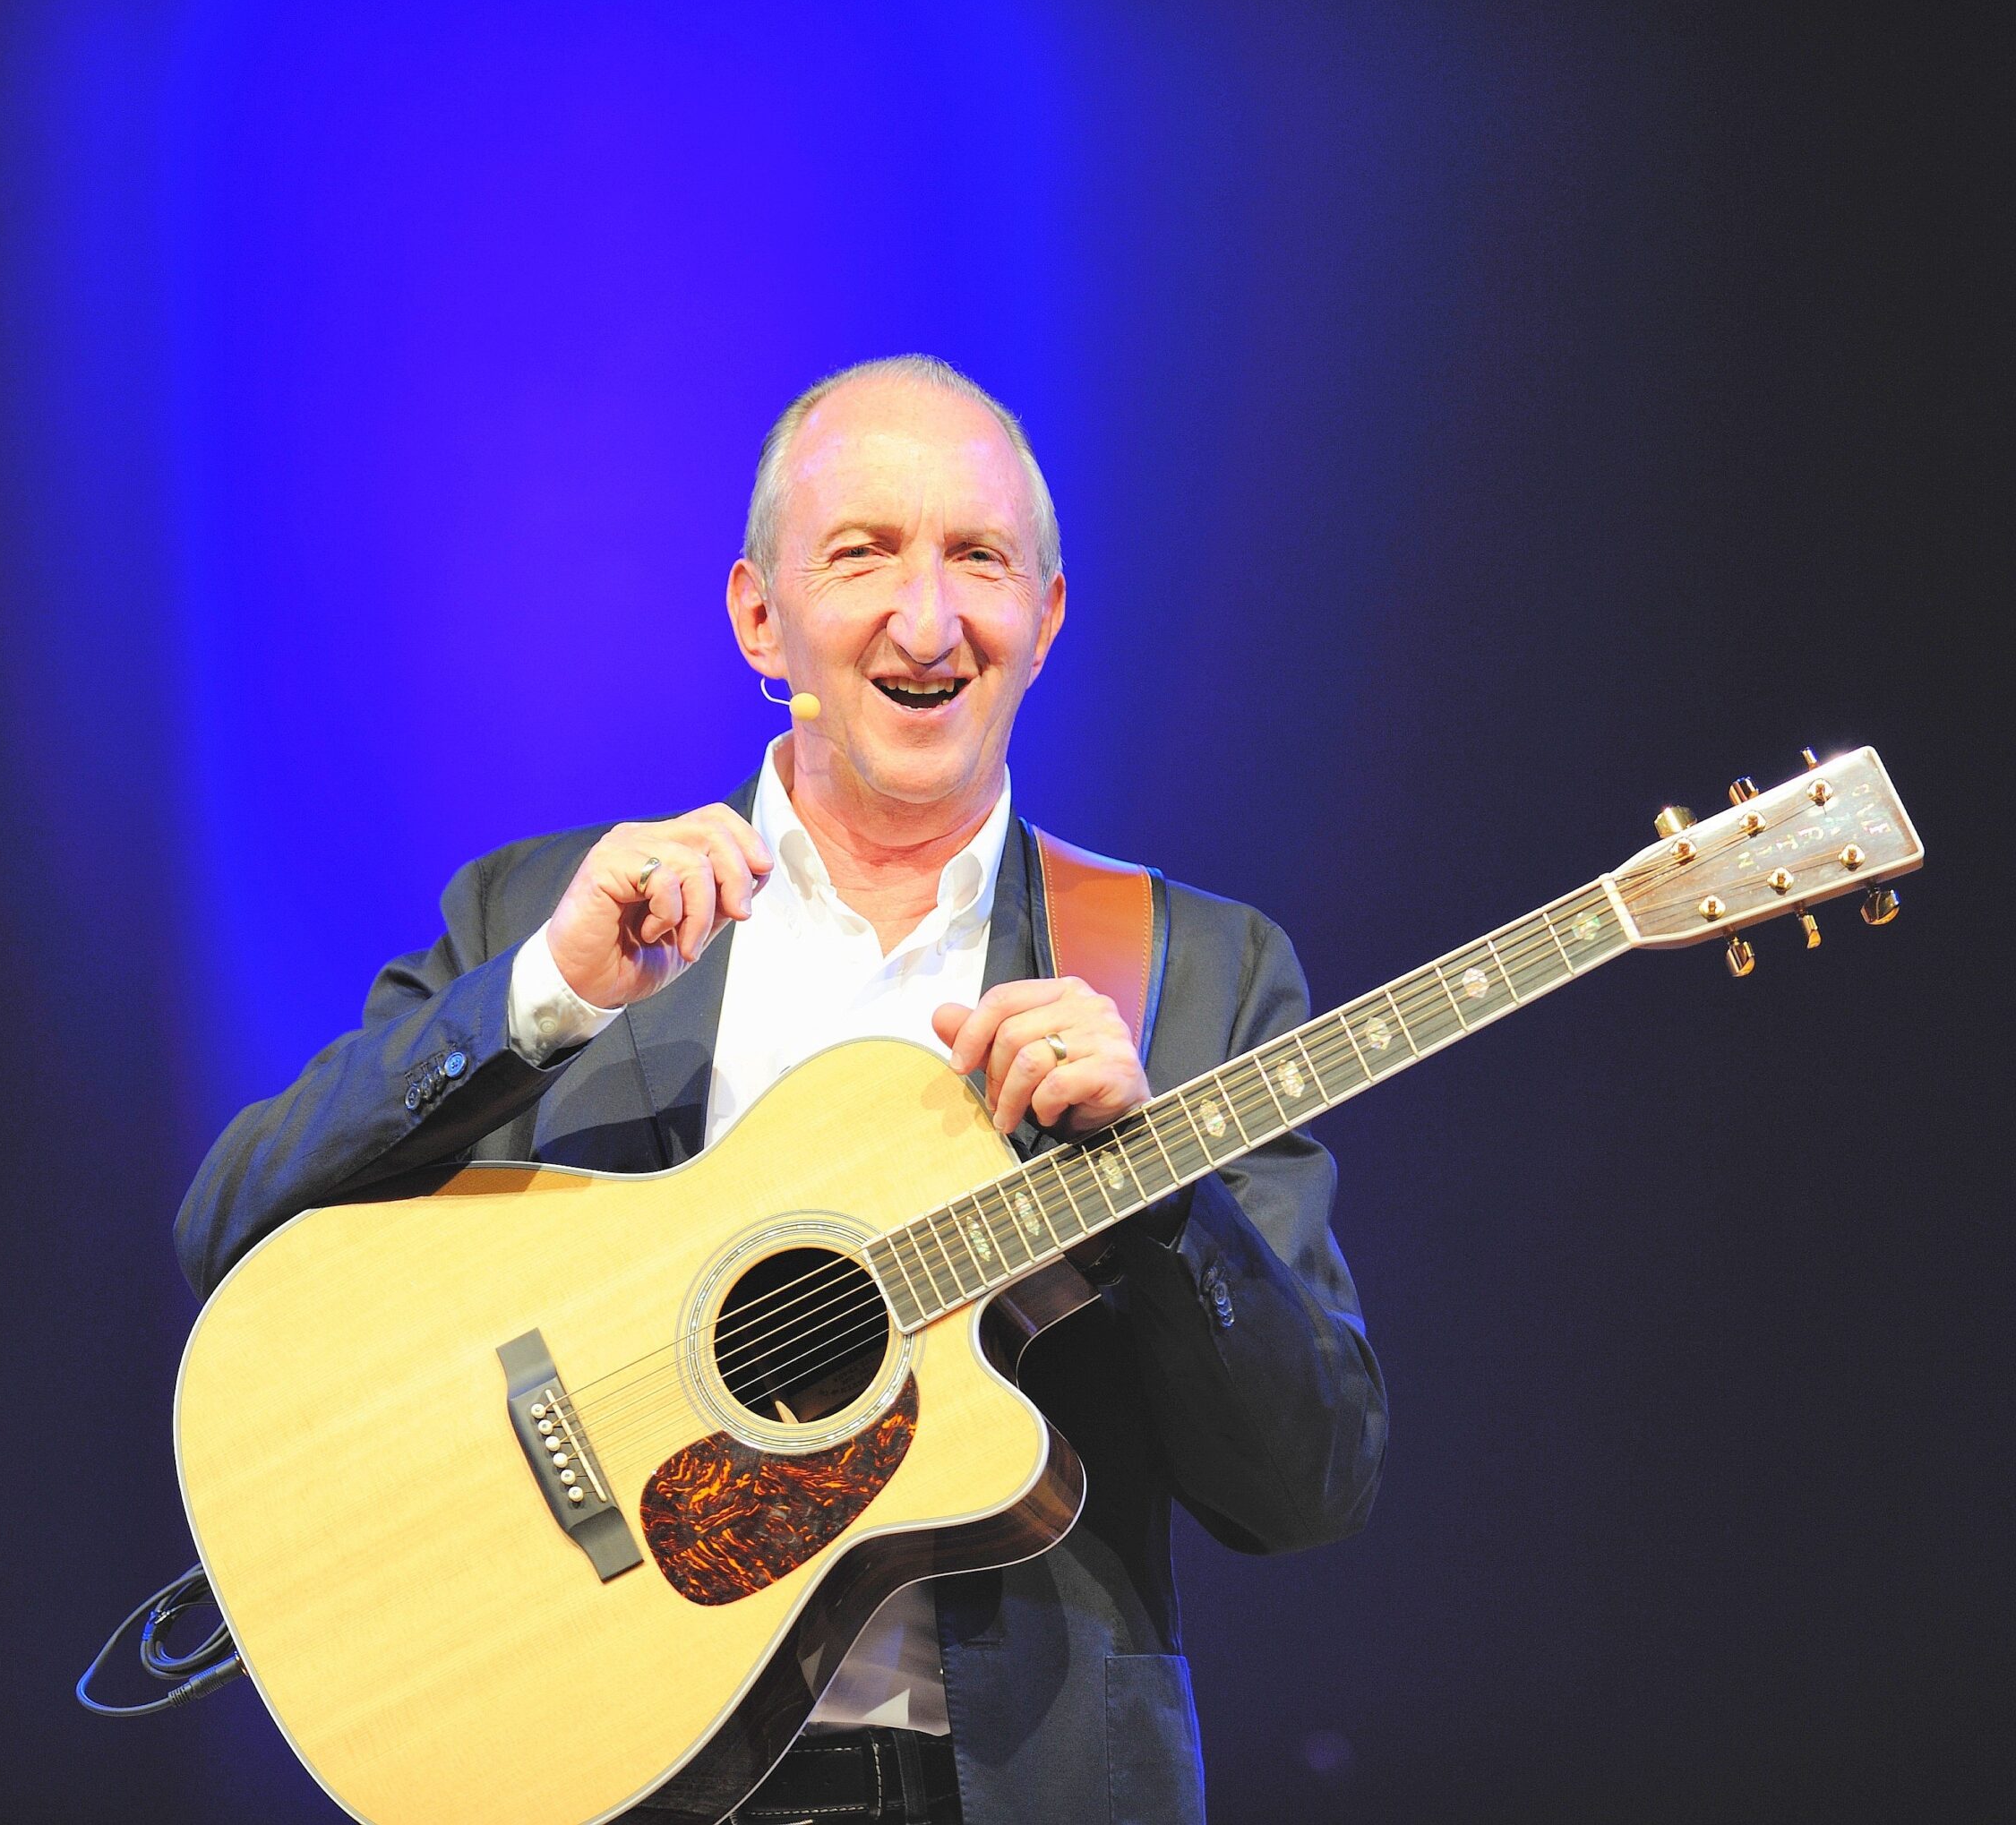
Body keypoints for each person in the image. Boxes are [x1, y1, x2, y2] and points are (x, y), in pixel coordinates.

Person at [175, 355, 1385, 1825]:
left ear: (1047, 619)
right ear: (760, 613)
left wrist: (1161, 1199)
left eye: (981, 561)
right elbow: (234, 1225)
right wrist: (544, 998)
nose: (928, 620)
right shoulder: (556, 915)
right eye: (864, 553)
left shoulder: (1188, 973)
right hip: (605, 1775)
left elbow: (1307, 1487)